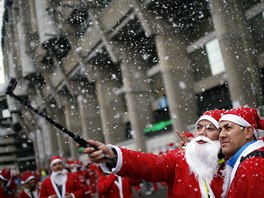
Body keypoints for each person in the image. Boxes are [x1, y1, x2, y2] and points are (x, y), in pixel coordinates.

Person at [84, 109, 226, 198]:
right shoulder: (179, 159)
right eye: (199, 127)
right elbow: (150, 163)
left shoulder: (233, 163)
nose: (202, 132)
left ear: (223, 134)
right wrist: (114, 155)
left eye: (210, 128)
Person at [218, 106, 264, 197]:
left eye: (228, 128)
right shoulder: (249, 161)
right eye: (220, 130)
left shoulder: (253, 164)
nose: (221, 135)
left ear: (248, 132)